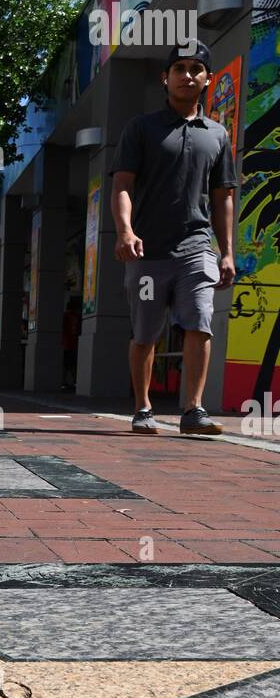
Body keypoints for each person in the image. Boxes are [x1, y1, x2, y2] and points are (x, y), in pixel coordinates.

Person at [110, 40, 237, 436]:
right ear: (165, 77)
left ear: (207, 79)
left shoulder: (217, 135)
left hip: (196, 249)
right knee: (146, 331)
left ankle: (193, 410)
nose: (187, 75)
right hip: (148, 253)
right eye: (179, 68)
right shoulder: (142, 128)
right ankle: (143, 408)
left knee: (200, 322)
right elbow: (122, 185)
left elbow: (223, 197)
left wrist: (227, 252)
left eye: (195, 69)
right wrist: (126, 231)